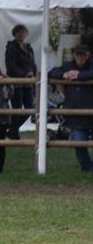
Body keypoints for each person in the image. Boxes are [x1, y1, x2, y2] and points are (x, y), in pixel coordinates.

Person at [48, 44, 93, 173]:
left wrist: (79, 76)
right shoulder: (68, 66)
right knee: (78, 142)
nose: (80, 57)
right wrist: (64, 75)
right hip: (75, 113)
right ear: (74, 55)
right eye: (78, 54)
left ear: (88, 55)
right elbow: (51, 72)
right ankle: (88, 169)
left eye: (83, 54)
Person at [4, 24, 36, 136]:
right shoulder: (11, 47)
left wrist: (34, 75)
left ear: (26, 33)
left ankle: (12, 129)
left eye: (23, 32)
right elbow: (10, 66)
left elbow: (33, 64)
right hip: (16, 82)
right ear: (14, 34)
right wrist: (24, 74)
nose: (21, 34)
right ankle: (14, 132)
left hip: (28, 83)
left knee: (29, 108)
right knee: (17, 108)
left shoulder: (29, 47)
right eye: (18, 32)